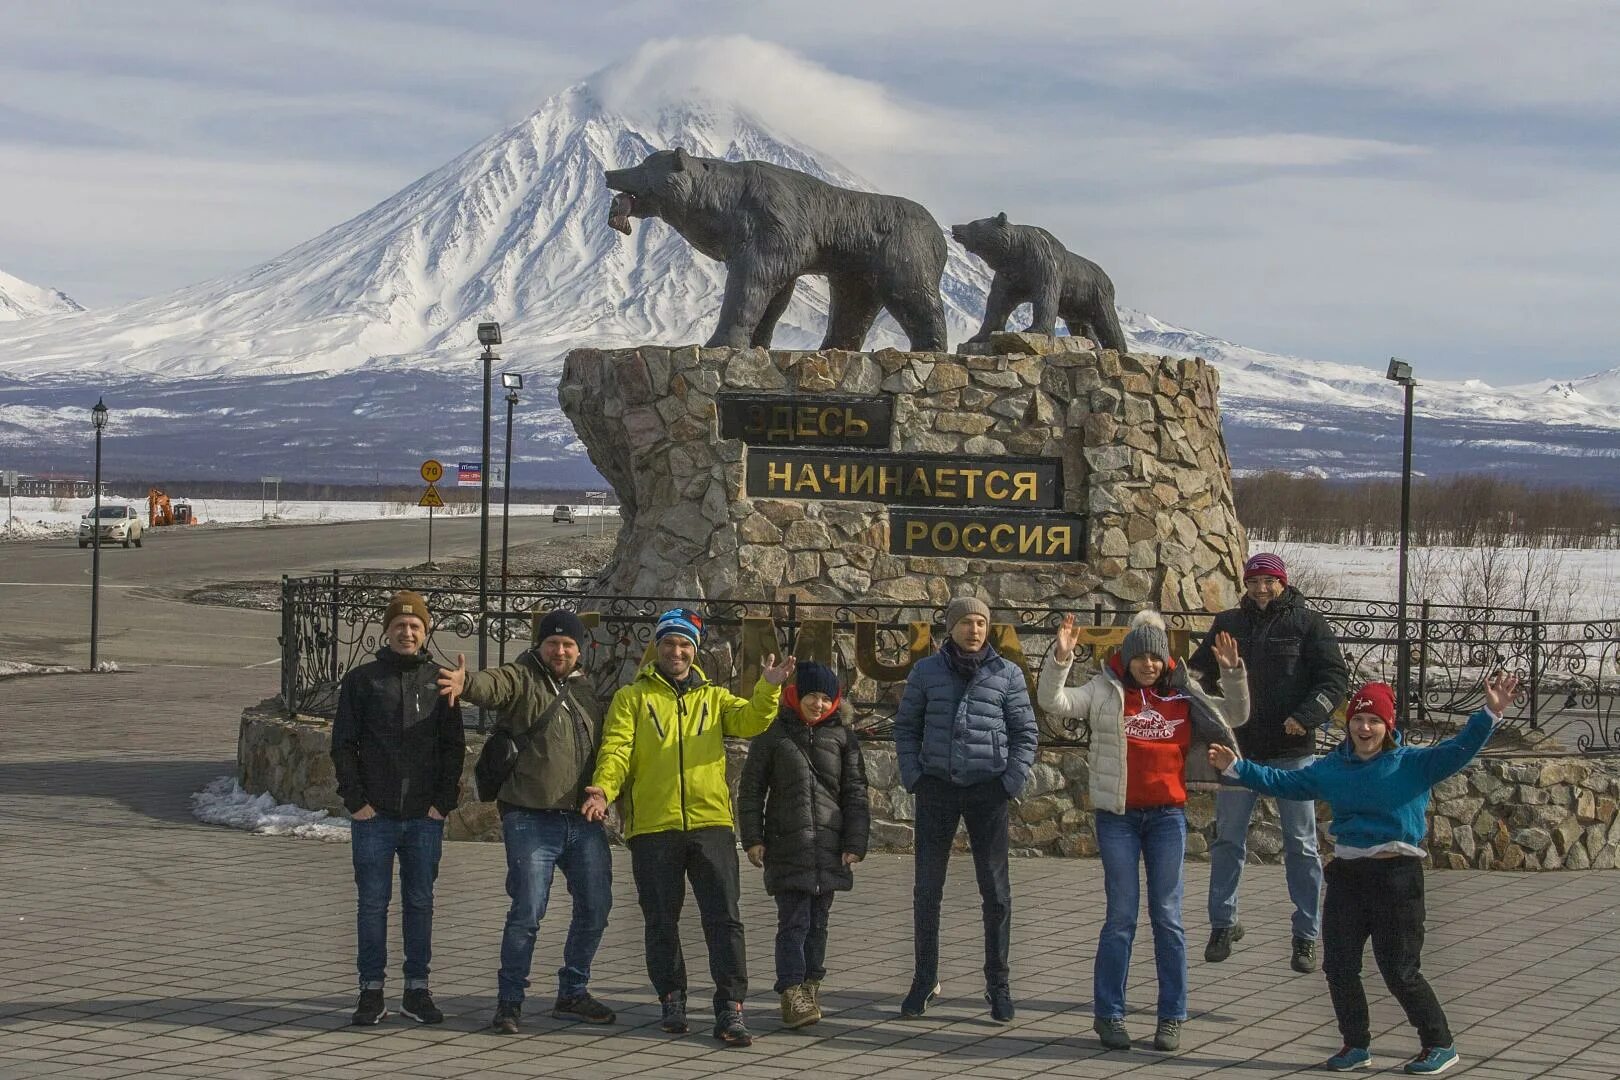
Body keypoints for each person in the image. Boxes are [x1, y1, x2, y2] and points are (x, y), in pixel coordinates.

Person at [1209, 674, 1518, 1075]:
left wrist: (1489, 712)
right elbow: (1286, 781)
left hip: (1397, 878)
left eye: (1374, 721)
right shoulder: (1332, 768)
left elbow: (1459, 750)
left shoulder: (1412, 764)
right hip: (1348, 876)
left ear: (1388, 727)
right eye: (1358, 719)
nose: (1365, 728)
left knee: (1399, 970)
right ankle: (1356, 1045)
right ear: (1349, 724)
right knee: (1339, 967)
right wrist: (1238, 768)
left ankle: (1440, 1043)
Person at [581, 608, 796, 1048]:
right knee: (661, 920)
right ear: (657, 648)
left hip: (711, 823)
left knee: (725, 920)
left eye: (684, 645)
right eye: (669, 643)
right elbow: (617, 750)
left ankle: (730, 1008)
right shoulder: (632, 698)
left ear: (693, 652)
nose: (676, 651)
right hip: (654, 828)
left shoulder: (713, 698)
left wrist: (768, 689)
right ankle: (672, 998)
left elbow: (752, 720)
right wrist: (603, 789)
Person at [1038, 610, 1247, 1052]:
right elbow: (1055, 703)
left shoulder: (1183, 692)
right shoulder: (1104, 689)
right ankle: (1109, 1014)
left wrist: (1232, 672)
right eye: (1140, 658)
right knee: (1121, 919)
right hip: (1119, 818)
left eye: (1155, 658)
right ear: (1127, 658)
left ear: (1165, 661)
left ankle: (1171, 1016)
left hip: (1167, 817)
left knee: (1168, 919)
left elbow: (1236, 715)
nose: (1148, 665)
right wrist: (1060, 658)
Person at [436, 610, 615, 1034]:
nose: (560, 650)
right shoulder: (523, 678)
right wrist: (466, 685)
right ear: (540, 645)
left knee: (596, 907)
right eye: (552, 643)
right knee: (528, 912)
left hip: (581, 822)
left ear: (579, 649)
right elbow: (494, 685)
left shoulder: (586, 690)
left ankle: (572, 991)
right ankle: (510, 1001)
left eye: (568, 644)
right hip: (530, 818)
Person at [1188, 552, 1348, 973]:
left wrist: (1306, 716)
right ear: (1246, 583)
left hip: (1293, 755)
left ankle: (1306, 934)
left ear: (1283, 582)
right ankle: (1222, 923)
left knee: (1301, 845)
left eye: (1269, 581)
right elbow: (1198, 674)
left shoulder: (1309, 624)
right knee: (1227, 841)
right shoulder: (1228, 623)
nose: (1262, 589)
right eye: (1255, 581)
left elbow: (1334, 679)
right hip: (1237, 753)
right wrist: (1208, 712)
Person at [894, 595, 1039, 1023]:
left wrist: (1010, 781)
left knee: (995, 892)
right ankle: (924, 979)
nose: (973, 630)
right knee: (927, 889)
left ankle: (998, 984)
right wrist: (914, 775)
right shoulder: (926, 672)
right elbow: (906, 726)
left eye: (980, 623)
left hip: (988, 790)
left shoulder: (1006, 674)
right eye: (965, 623)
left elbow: (1025, 732)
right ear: (950, 628)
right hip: (936, 788)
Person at [330, 590, 464, 1026]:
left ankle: (417, 990)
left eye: (416, 627)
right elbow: (343, 745)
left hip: (424, 818)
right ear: (386, 632)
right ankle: (370, 991)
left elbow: (453, 748)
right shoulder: (363, 681)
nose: (407, 632)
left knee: (420, 903)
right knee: (372, 904)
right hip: (376, 817)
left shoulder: (440, 680)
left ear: (425, 634)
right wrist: (357, 801)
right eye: (399, 626)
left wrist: (442, 804)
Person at [737, 660, 871, 1030]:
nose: (818, 703)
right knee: (793, 922)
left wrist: (855, 842)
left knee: (819, 923)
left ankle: (812, 983)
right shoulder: (773, 733)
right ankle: (791, 990)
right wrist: (753, 838)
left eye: (826, 697)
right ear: (796, 694)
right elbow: (751, 790)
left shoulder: (844, 738)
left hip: (829, 847)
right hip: (787, 844)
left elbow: (855, 794)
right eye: (812, 694)